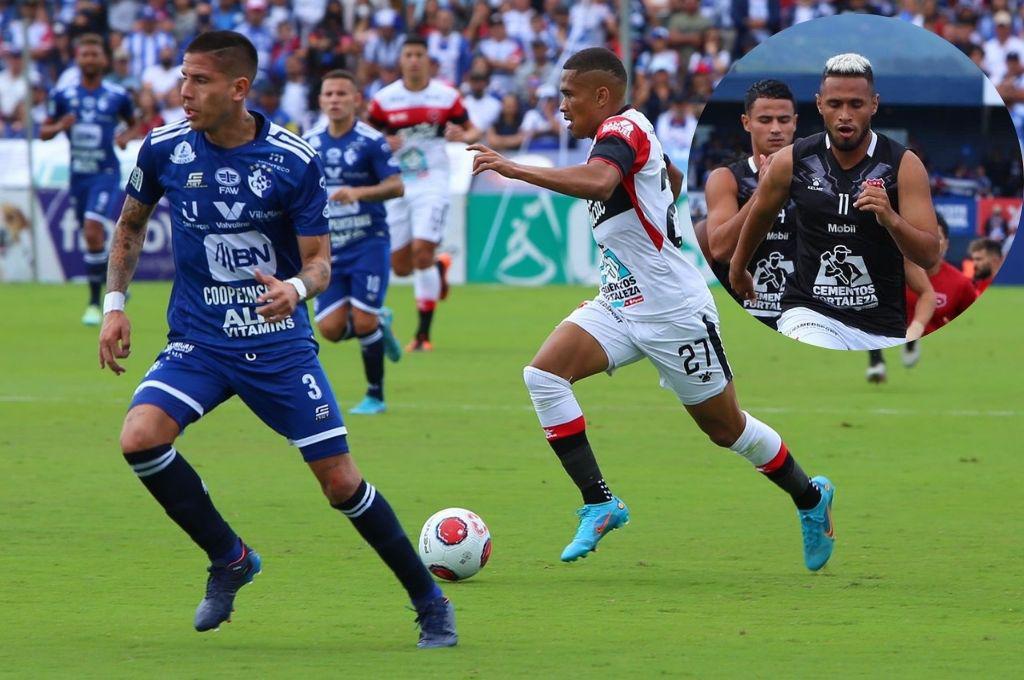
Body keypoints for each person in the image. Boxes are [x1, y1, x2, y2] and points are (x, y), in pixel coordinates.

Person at [97, 31, 456, 648]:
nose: (185, 91)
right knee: (140, 438)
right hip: (201, 341)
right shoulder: (162, 149)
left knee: (341, 482)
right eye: (183, 77)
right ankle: (229, 557)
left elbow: (320, 262)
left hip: (279, 347)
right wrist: (114, 306)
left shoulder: (291, 159)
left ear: (239, 89)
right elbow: (130, 226)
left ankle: (430, 601)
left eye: (200, 80)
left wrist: (296, 288)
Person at [468, 47, 836, 572]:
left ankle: (809, 497)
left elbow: (599, 182)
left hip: (673, 313)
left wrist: (513, 168)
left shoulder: (622, 129)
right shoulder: (622, 136)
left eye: (569, 95)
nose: (561, 106)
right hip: (620, 304)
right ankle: (599, 502)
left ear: (601, 95)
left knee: (725, 428)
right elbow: (670, 178)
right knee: (543, 375)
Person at [731, 53, 940, 350]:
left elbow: (929, 255)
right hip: (809, 312)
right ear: (819, 104)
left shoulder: (905, 165)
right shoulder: (792, 160)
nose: (845, 114)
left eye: (855, 104)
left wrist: (891, 218)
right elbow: (761, 215)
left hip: (881, 327)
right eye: (834, 104)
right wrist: (738, 269)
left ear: (874, 105)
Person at [368, 36, 481, 351]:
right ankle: (438, 265)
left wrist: (462, 135)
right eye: (409, 55)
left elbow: (474, 130)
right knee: (401, 266)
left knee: (419, 254)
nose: (414, 60)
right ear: (401, 60)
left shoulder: (445, 97)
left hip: (432, 181)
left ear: (428, 61)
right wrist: (381, 143)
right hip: (397, 184)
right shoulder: (384, 99)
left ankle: (422, 336)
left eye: (419, 54)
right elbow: (367, 136)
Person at [304, 70, 404, 415]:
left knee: (362, 321)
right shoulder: (310, 142)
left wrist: (359, 192)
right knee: (330, 330)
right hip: (328, 248)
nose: (334, 100)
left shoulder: (370, 141)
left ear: (356, 100)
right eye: (328, 94)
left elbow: (396, 186)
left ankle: (375, 395)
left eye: (341, 94)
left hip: (368, 241)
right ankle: (380, 323)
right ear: (320, 100)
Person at [40, 33, 135, 326]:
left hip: (105, 173)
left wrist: (125, 137)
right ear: (77, 59)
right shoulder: (63, 96)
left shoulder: (117, 96)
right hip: (78, 175)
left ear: (104, 60)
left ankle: (95, 303)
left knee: (94, 229)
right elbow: (44, 132)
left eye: (95, 54)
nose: (90, 59)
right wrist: (59, 125)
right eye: (85, 54)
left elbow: (134, 124)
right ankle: (114, 282)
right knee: (89, 236)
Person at [704, 79, 799, 330]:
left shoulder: (817, 179)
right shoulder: (726, 178)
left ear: (795, 122)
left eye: (784, 120)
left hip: (802, 315)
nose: (776, 129)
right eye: (765, 120)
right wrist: (763, 191)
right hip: (743, 312)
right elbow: (721, 249)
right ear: (747, 123)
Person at [866, 214, 977, 382]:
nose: (932, 245)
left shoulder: (960, 283)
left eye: (938, 238)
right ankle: (876, 361)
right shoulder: (895, 271)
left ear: (947, 243)